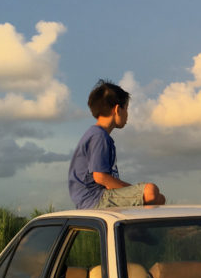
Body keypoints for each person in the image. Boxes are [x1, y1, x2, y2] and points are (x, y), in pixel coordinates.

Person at [68, 79, 166, 209]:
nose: (127, 115)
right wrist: (134, 191)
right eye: (126, 108)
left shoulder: (98, 135)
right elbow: (101, 177)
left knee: (159, 198)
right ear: (117, 109)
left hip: (96, 197)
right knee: (150, 191)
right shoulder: (99, 136)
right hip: (94, 198)